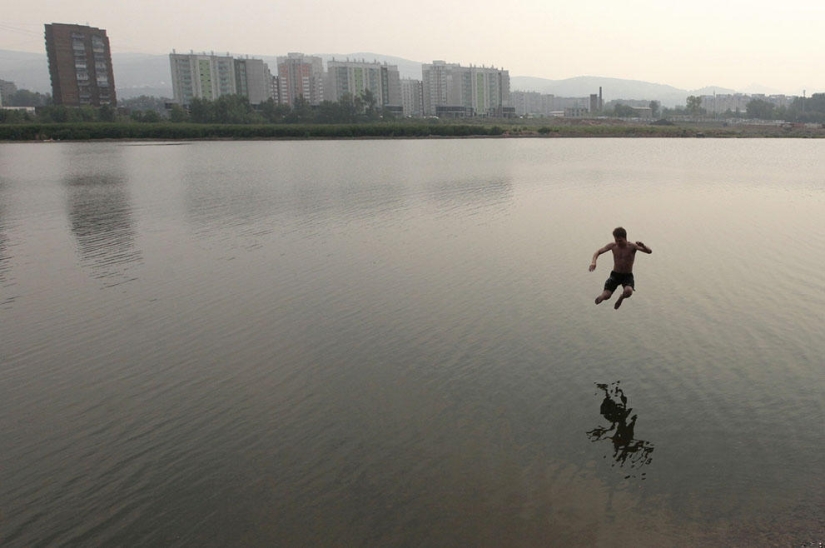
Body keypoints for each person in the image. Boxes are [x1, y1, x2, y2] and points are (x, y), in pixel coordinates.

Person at [589, 227, 652, 309]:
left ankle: (621, 297)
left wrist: (643, 246)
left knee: (628, 291)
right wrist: (594, 262)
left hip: (627, 275)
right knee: (607, 296)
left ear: (625, 238)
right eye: (616, 240)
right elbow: (598, 252)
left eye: (620, 240)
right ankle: (602, 297)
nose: (618, 242)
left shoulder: (632, 246)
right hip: (615, 274)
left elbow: (649, 251)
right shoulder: (613, 246)